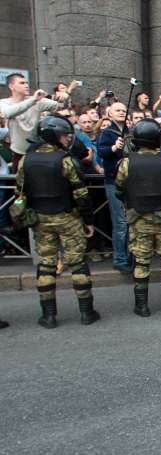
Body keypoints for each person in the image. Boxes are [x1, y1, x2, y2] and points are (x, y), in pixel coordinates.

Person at [12, 115, 100, 328]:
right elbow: (81, 193)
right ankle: (86, 312)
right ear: (53, 136)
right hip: (68, 217)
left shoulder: (26, 159)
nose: (66, 139)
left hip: (41, 219)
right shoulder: (64, 159)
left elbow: (19, 191)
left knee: (46, 265)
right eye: (63, 136)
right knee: (78, 264)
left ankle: (49, 315)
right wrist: (88, 220)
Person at [114, 119, 161, 316]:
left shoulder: (127, 163)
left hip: (138, 219)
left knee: (142, 262)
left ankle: (142, 306)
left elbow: (119, 189)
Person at [96, 101, 132, 272]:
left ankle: (130, 255)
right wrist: (113, 147)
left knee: (129, 221)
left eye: (124, 110)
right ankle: (120, 258)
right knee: (120, 222)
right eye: (117, 110)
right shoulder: (107, 132)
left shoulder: (128, 132)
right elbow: (101, 151)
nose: (121, 112)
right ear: (109, 113)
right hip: (113, 181)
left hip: (129, 181)